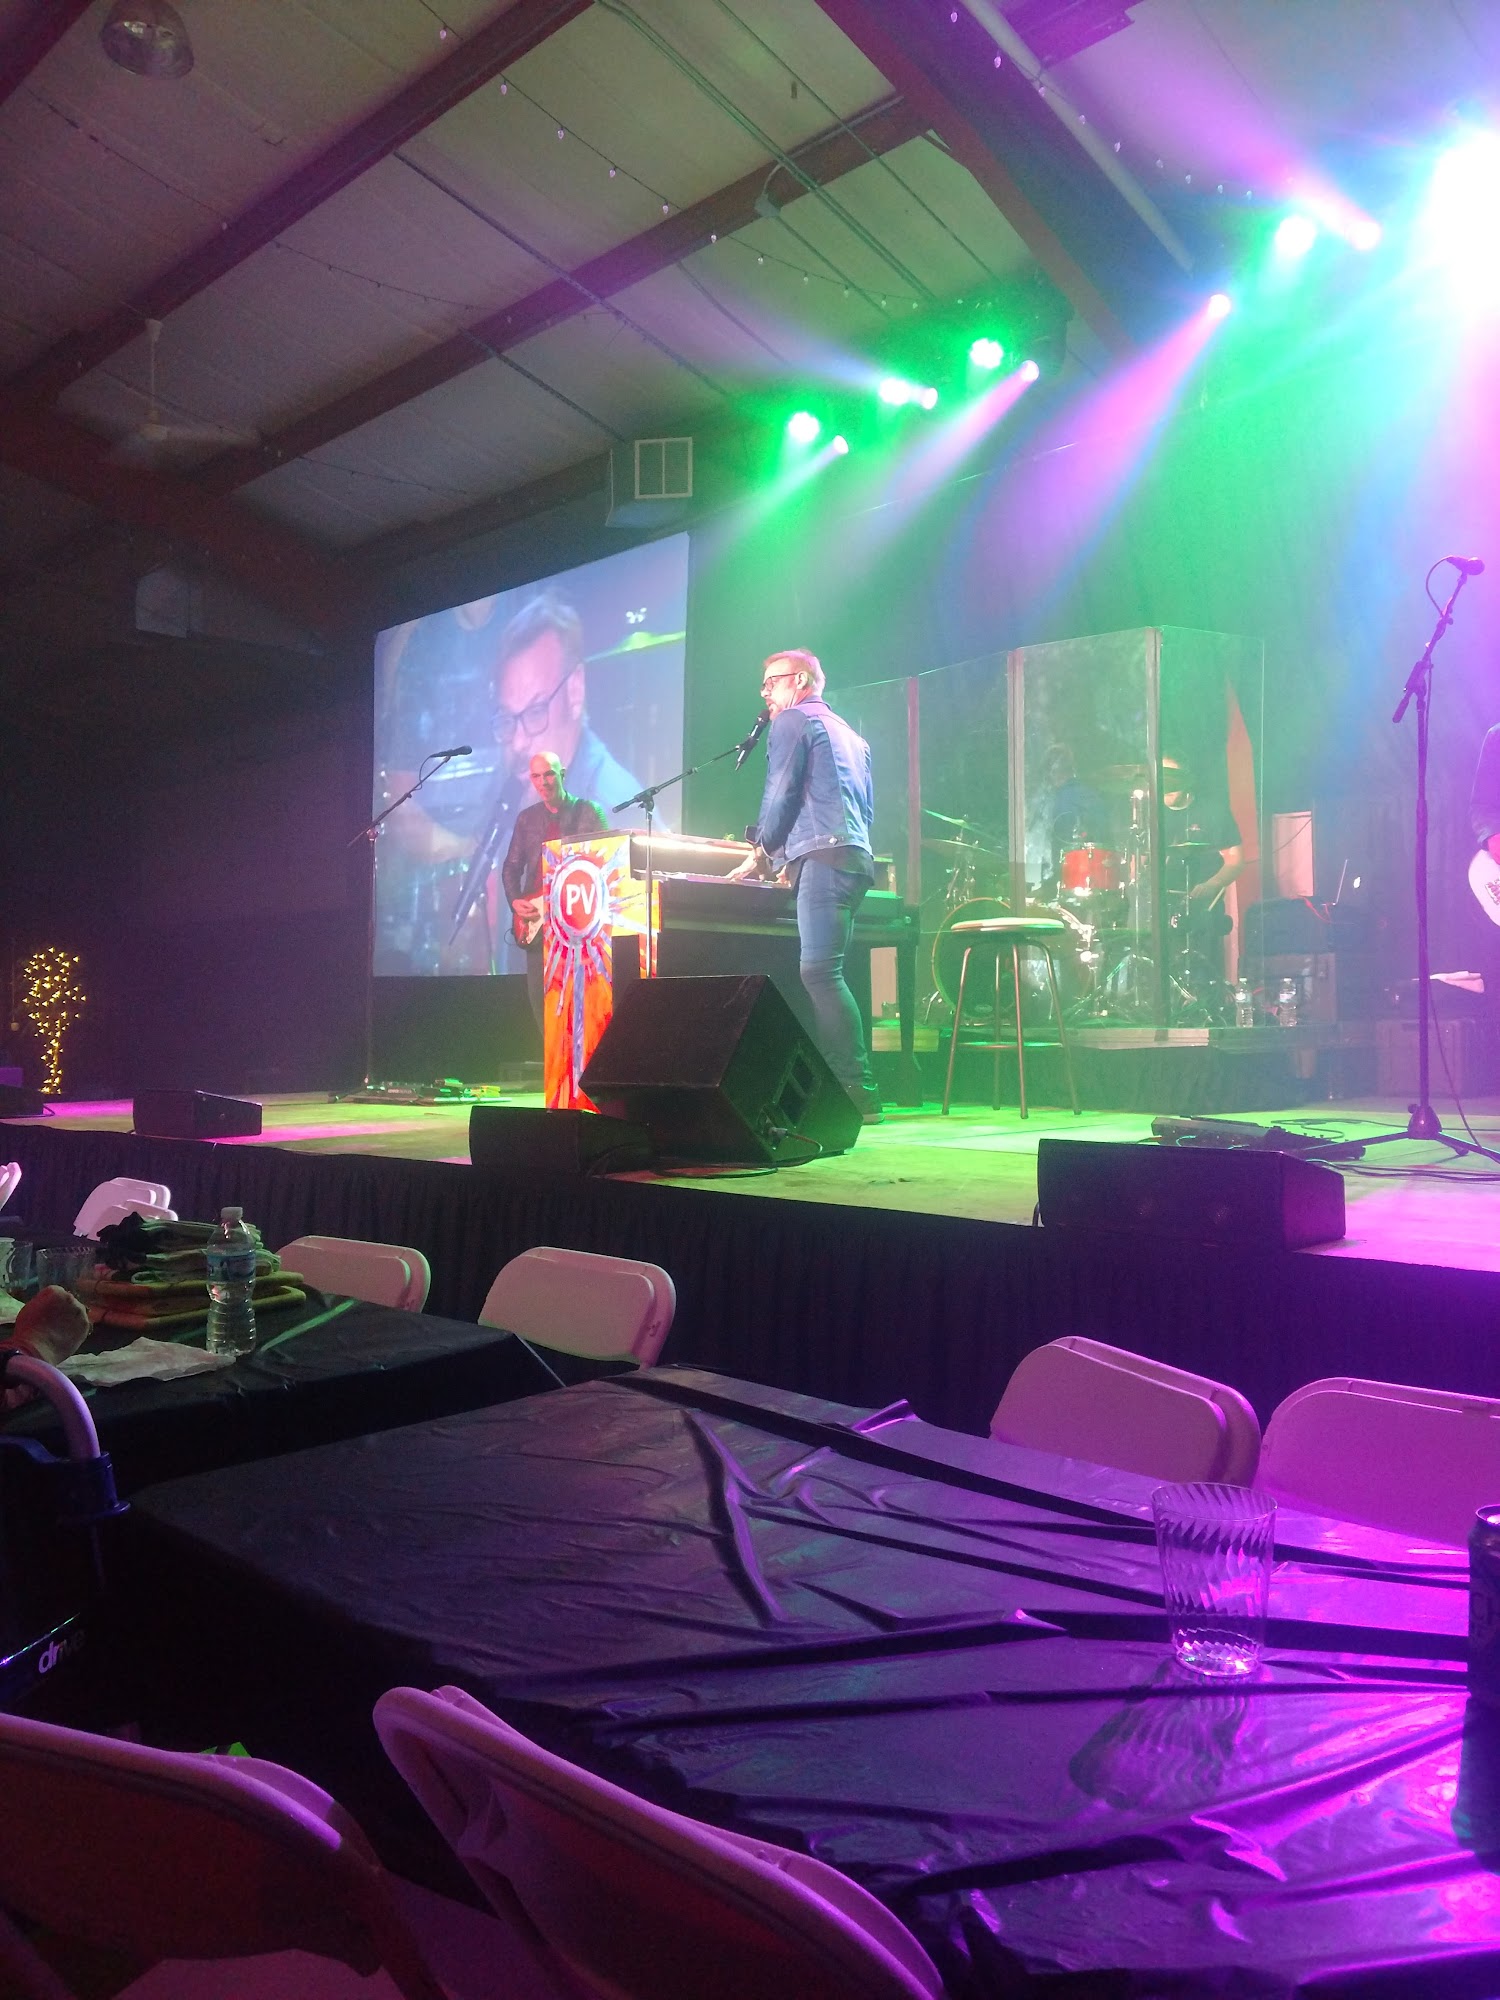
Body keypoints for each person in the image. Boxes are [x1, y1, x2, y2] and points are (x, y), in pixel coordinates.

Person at [458, 594, 653, 974]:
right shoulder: (518, 797)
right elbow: (512, 868)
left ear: (575, 691)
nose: (518, 741)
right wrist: (515, 900)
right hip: (536, 959)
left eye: (535, 711)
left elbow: (625, 919)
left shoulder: (611, 802)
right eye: (507, 718)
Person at [728, 649, 881, 1124]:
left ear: (800, 680)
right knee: (828, 972)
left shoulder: (793, 721)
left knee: (819, 973)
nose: (766, 694)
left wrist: (763, 851)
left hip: (822, 857)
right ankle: (851, 1087)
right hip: (854, 858)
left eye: (771, 683)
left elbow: (780, 793)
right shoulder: (852, 736)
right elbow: (865, 809)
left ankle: (855, 1091)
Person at [501, 751, 607, 1029]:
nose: (543, 782)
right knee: (541, 1003)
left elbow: (606, 865)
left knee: (578, 1004)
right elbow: (511, 867)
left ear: (562, 774)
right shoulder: (526, 819)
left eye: (549, 774)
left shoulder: (589, 812)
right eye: (536, 776)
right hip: (538, 925)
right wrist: (515, 901)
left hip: (577, 925)